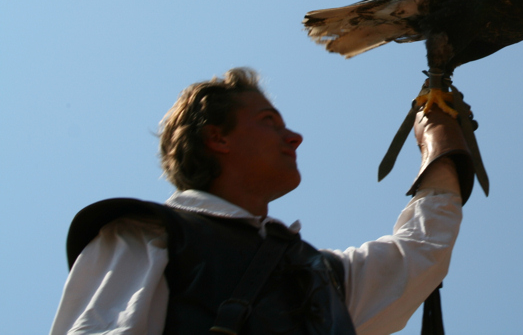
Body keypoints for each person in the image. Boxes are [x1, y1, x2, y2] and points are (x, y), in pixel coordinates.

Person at [49, 68, 474, 335]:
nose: (294, 137)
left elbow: (422, 253)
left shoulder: (321, 277)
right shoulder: (146, 233)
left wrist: (440, 145)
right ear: (217, 137)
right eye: (269, 122)